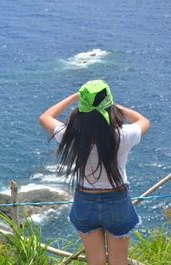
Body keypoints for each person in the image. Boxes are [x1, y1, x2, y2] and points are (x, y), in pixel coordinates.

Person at [38, 80, 150, 265]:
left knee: (95, 262)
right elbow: (144, 121)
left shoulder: (72, 136)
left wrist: (75, 97)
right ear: (109, 106)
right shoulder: (123, 135)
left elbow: (45, 117)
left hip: (85, 200)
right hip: (116, 200)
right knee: (118, 262)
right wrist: (115, 105)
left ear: (82, 108)